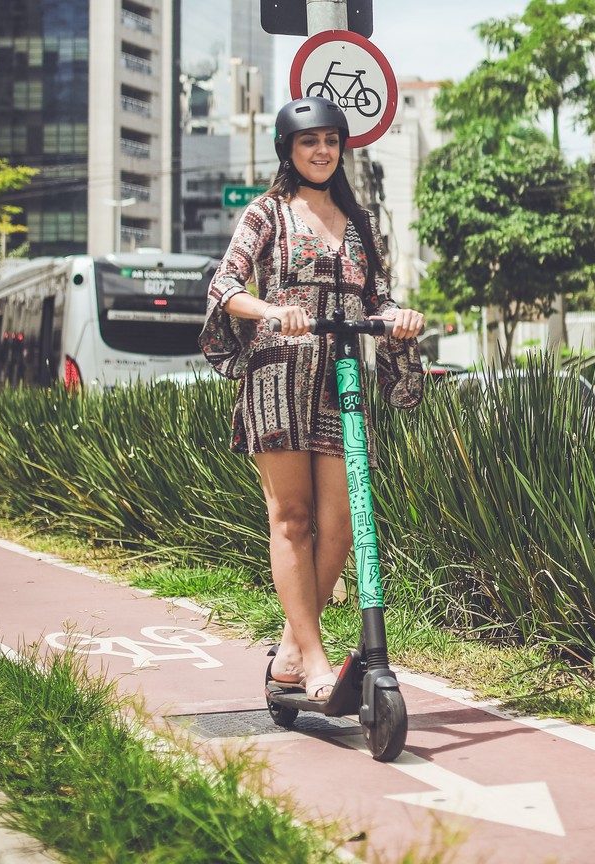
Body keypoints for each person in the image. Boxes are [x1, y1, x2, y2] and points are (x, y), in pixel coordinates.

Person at [199, 96, 424, 702]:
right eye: (308, 142)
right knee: (293, 519)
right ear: (288, 150)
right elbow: (224, 286)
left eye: (330, 140)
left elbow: (377, 297)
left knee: (344, 523)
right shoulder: (266, 214)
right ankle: (315, 657)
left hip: (340, 376)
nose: (321, 151)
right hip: (277, 377)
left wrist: (397, 318)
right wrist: (273, 310)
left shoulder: (361, 222)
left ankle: (290, 650)